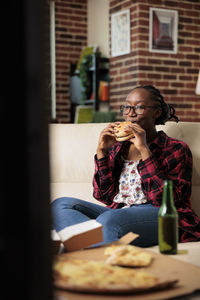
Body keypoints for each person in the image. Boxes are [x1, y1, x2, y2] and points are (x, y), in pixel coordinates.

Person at [51, 85, 200, 247]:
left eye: (140, 107)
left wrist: (144, 150)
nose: (130, 113)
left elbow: (166, 201)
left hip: (163, 216)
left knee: (108, 220)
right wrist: (102, 151)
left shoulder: (176, 148)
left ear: (156, 112)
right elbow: (104, 196)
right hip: (120, 213)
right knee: (60, 205)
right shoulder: (117, 147)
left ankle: (89, 246)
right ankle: (95, 246)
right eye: (127, 107)